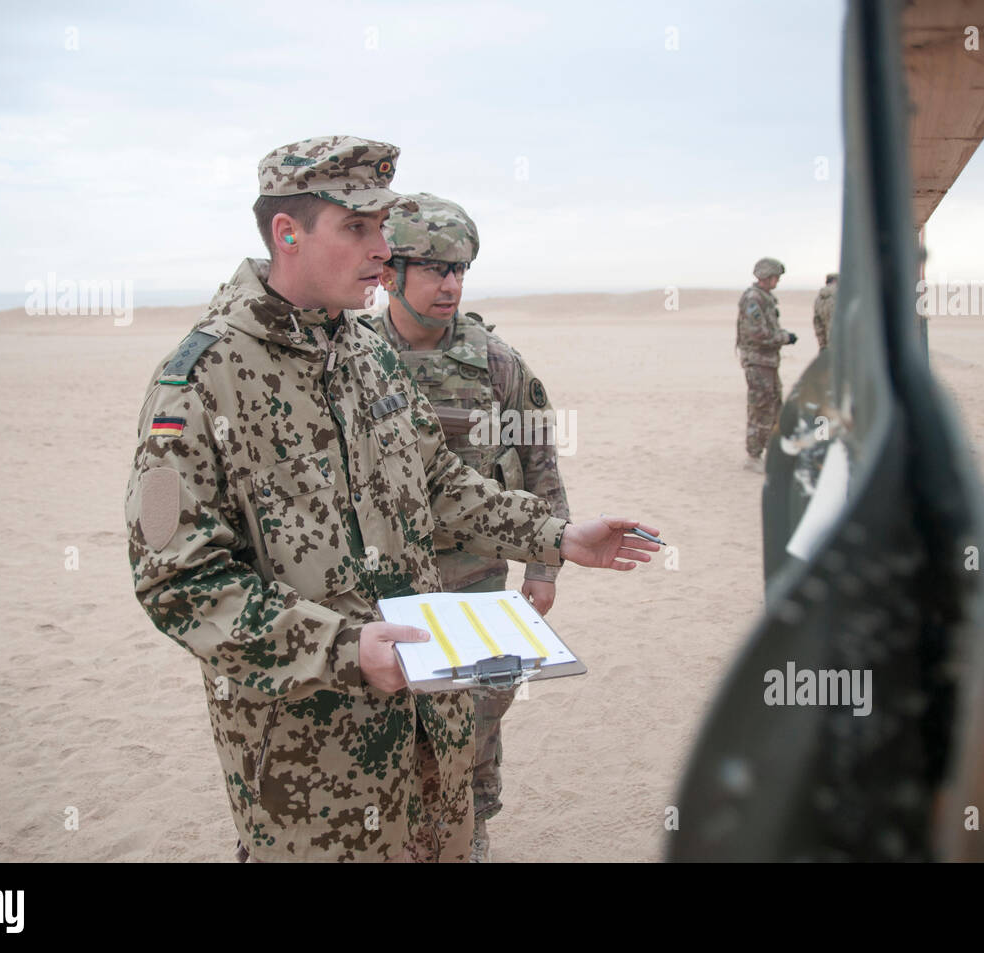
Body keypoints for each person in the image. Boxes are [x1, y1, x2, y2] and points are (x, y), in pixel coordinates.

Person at [124, 135, 659, 863]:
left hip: (430, 738)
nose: (382, 249)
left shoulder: (365, 352)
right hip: (314, 774)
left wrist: (554, 535)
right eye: (357, 228)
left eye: (383, 228)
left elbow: (438, 480)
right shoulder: (201, 379)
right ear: (288, 233)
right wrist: (344, 649)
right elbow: (178, 579)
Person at [366, 193, 569, 863]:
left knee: (476, 725)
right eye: (433, 268)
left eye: (460, 270)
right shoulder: (354, 357)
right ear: (390, 271)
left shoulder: (497, 363)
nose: (450, 284)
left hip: (476, 583)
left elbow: (540, 459)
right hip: (384, 585)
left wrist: (542, 568)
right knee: (390, 731)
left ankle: (470, 838)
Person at [736, 257, 796, 472]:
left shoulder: (765, 298)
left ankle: (774, 452)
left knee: (773, 405)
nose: (777, 282)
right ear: (766, 276)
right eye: (775, 277)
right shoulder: (754, 299)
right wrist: (784, 337)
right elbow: (758, 333)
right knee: (760, 407)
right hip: (758, 361)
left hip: (768, 362)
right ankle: (753, 456)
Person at [813, 272, 838, 350]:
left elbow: (817, 324)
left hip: (828, 344)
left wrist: (822, 345)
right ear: (835, 281)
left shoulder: (819, 299)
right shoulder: (840, 295)